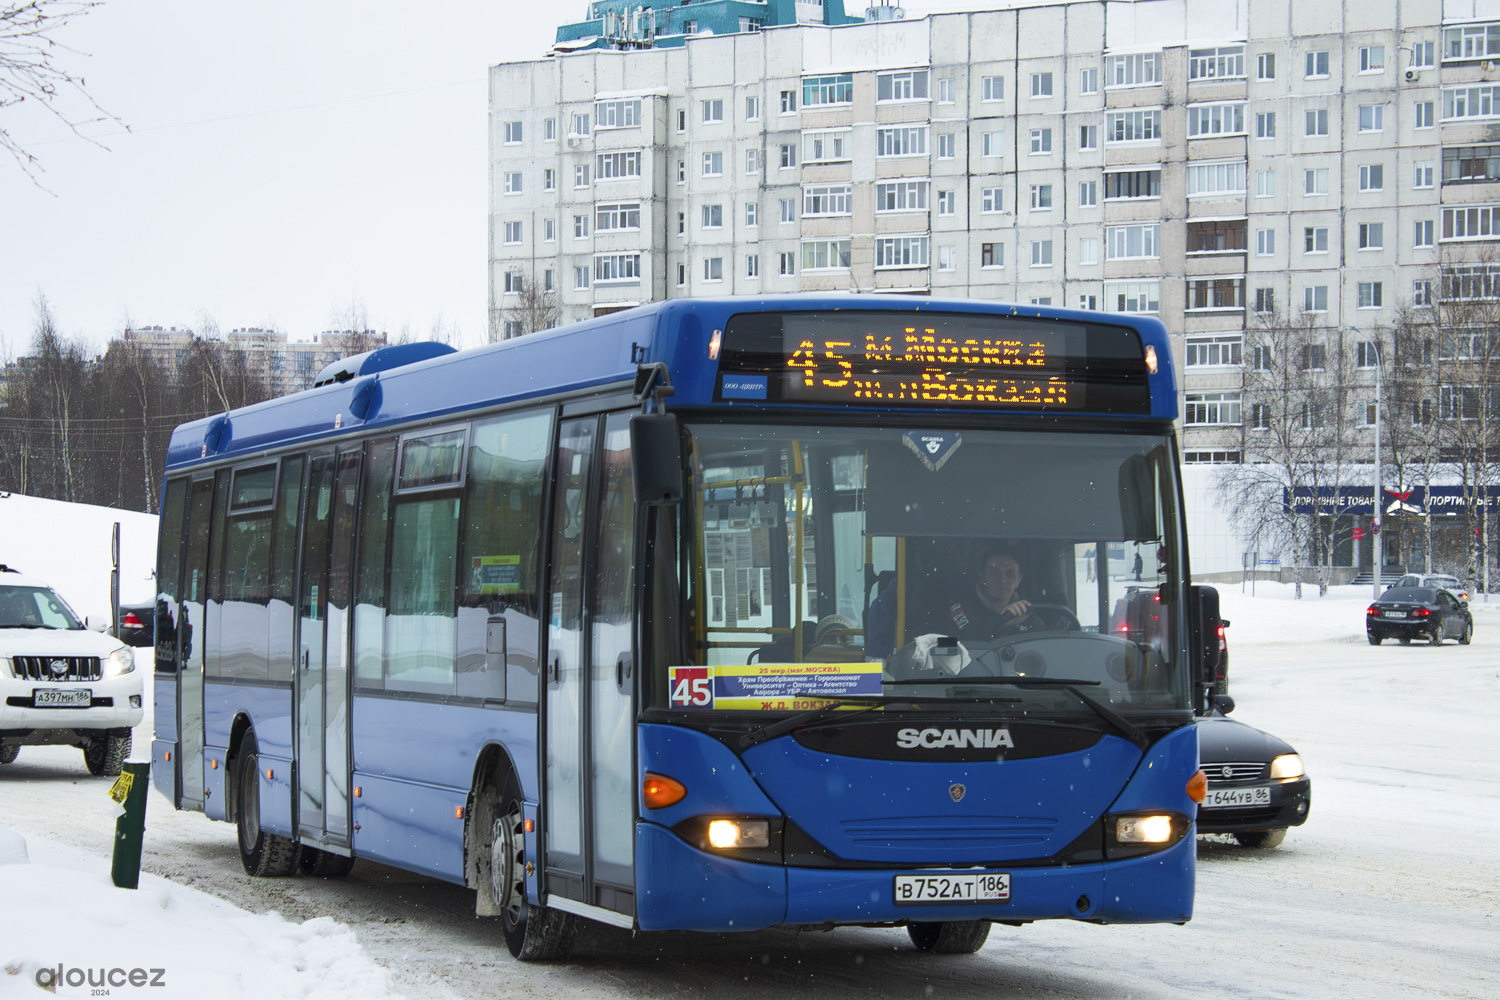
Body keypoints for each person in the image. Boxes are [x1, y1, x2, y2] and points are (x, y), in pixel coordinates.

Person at [927, 544, 1034, 641]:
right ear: (983, 578)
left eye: (1010, 574)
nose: (1002, 581)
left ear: (1019, 580)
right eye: (994, 573)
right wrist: (1001, 625)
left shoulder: (1026, 615)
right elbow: (965, 643)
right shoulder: (960, 608)